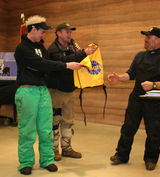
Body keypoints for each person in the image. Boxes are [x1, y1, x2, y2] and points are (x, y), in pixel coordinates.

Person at [14, 15, 83, 175]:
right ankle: (26, 162)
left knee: (46, 128)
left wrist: (42, 66)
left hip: (43, 91)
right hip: (27, 91)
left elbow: (45, 65)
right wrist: (64, 65)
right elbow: (42, 64)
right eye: (42, 32)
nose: (44, 35)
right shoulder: (22, 48)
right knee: (27, 129)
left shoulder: (41, 47)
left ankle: (47, 159)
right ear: (33, 29)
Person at [108, 27, 160, 171]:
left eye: (148, 37)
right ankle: (122, 155)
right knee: (127, 128)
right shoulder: (140, 55)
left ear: (158, 40)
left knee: (153, 132)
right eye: (145, 37)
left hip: (154, 102)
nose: (145, 39)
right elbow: (131, 73)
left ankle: (151, 159)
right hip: (136, 99)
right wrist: (119, 77)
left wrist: (153, 84)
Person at [46, 22, 97, 161]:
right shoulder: (52, 49)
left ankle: (67, 148)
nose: (70, 34)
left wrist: (86, 53)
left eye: (70, 31)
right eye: (66, 31)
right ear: (58, 33)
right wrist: (83, 53)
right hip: (55, 90)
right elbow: (64, 61)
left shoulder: (73, 45)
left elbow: (79, 59)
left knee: (68, 120)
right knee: (54, 120)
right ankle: (54, 149)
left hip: (69, 89)